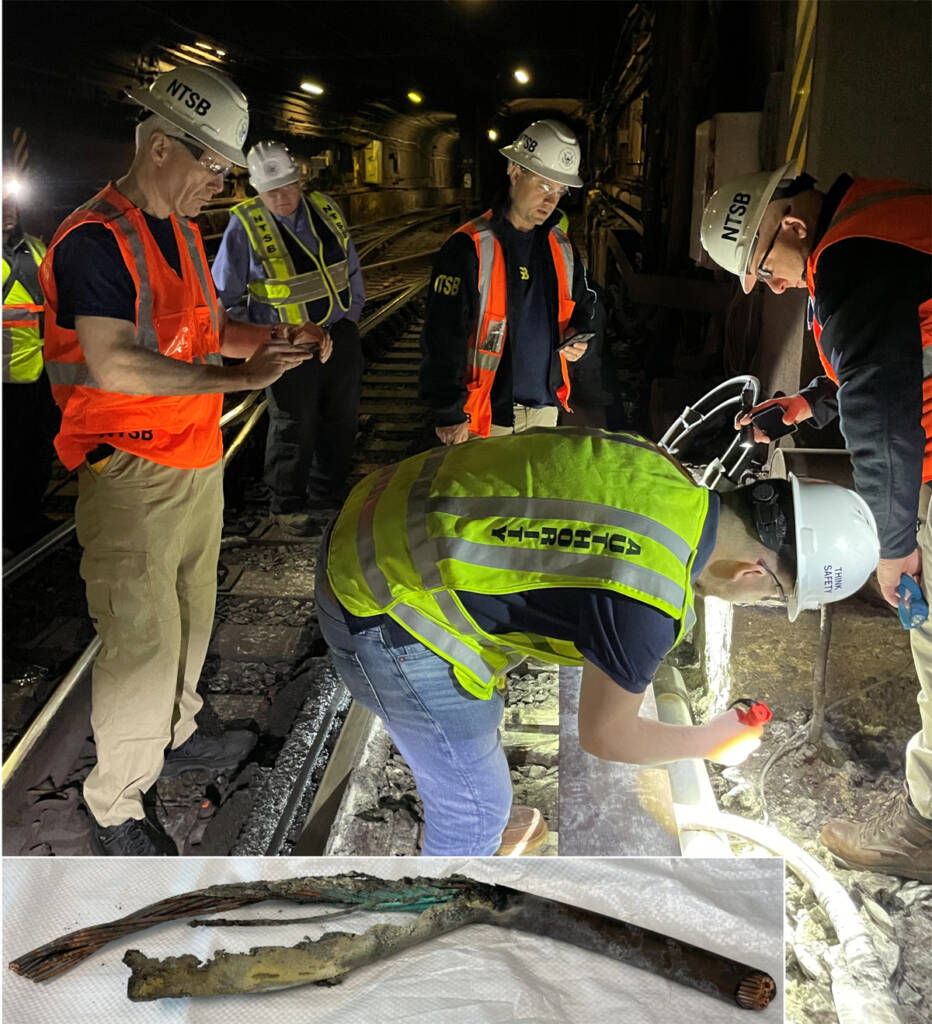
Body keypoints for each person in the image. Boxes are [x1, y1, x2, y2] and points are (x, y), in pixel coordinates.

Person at [316, 426, 879, 856]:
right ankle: (431, 946)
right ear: (751, 573)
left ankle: (481, 812)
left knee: (477, 722)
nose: (759, 604)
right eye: (771, 597)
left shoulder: (661, 469)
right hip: (375, 599)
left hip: (380, 505)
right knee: (474, 809)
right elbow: (607, 735)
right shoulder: (650, 598)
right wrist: (707, 741)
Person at [40, 65, 331, 857]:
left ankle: (175, 732)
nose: (222, 183)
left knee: (190, 617)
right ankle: (115, 803)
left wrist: (277, 343)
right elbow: (116, 364)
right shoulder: (95, 240)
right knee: (141, 637)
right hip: (131, 470)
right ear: (162, 147)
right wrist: (239, 378)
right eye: (214, 165)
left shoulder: (175, 232)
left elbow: (203, 335)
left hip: (193, 458)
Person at [700, 163, 932, 882]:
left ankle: (925, 834)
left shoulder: (847, 257)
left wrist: (894, 546)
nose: (771, 285)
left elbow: (883, 402)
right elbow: (883, 351)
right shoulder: (874, 215)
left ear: (792, 226)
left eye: (766, 268)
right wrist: (796, 409)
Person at [212, 140, 365, 534]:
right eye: (270, 190)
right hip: (286, 347)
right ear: (256, 190)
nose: (280, 197)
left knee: (340, 419)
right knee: (293, 424)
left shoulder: (327, 209)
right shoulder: (244, 224)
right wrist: (266, 338)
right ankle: (288, 505)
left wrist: (348, 320)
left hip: (338, 336)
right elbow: (223, 300)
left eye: (286, 186)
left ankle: (328, 495)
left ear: (300, 182)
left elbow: (350, 269)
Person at [419, 119, 598, 445]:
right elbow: (442, 336)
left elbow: (582, 302)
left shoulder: (561, 245)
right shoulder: (468, 247)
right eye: (544, 185)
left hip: (545, 410)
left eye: (560, 190)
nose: (552, 200)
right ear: (515, 171)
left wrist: (579, 333)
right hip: (486, 418)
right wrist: (448, 412)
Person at [2, 179, 59, 553]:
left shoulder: (35, 247)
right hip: (5, 378)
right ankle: (10, 525)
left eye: (10, 205)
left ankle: (29, 517)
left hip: (39, 372)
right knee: (9, 455)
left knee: (37, 449)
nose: (8, 213)